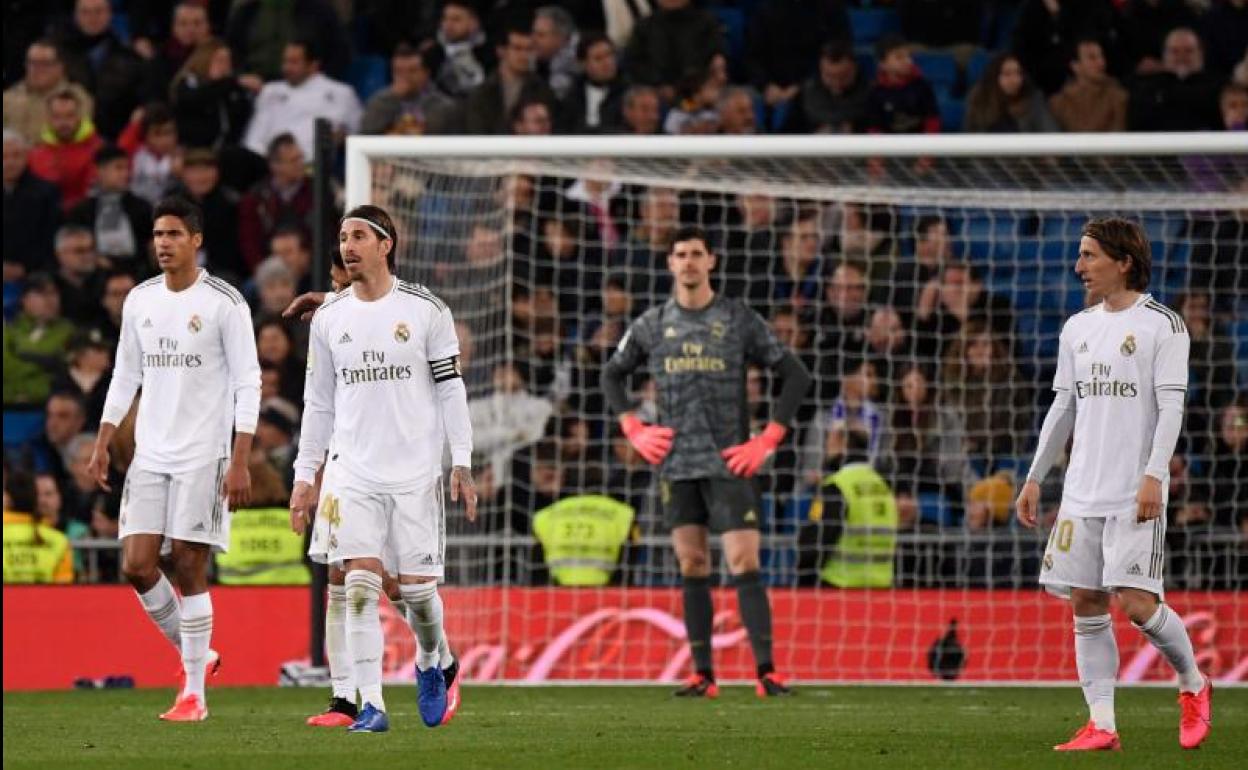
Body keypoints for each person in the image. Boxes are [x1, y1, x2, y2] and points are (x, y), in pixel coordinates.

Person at [1015, 217, 1211, 751]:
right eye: (1079, 255)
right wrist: (1036, 477)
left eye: (1089, 255)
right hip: (1081, 491)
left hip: (1134, 490)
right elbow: (1063, 406)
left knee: (1138, 605)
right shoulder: (1076, 328)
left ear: (1123, 261)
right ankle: (1101, 724)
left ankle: (1194, 684)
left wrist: (1154, 474)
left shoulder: (1162, 325)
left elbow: (1172, 406)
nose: (1078, 266)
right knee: (1086, 602)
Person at [601, 225, 812, 698]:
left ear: (711, 261)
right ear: (670, 263)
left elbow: (795, 373)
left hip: (729, 462)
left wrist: (768, 438)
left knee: (743, 559)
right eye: (680, 254)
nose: (689, 261)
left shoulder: (737, 319)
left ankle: (767, 672)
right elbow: (612, 374)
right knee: (692, 562)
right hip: (676, 465)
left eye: (697, 253)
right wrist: (634, 429)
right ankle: (703, 674)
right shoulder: (653, 324)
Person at [288, 205, 476, 732]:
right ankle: (370, 705)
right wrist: (306, 477)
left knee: (417, 593)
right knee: (360, 582)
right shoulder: (328, 319)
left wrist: (461, 460)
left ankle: (433, 659)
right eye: (343, 236)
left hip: (415, 471)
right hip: (353, 472)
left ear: (385, 244)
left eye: (359, 237)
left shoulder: (425, 310)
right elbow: (318, 404)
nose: (347, 246)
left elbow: (450, 388)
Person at [88, 196, 262, 722]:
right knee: (137, 566)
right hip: (149, 454)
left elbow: (247, 381)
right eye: (158, 235)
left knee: (188, 563)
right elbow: (125, 375)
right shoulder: (140, 301)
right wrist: (103, 439)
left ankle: (193, 694)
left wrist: (240, 458)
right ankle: (199, 656)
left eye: (173, 235)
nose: (163, 243)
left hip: (204, 455)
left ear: (196, 240)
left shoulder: (224, 302)